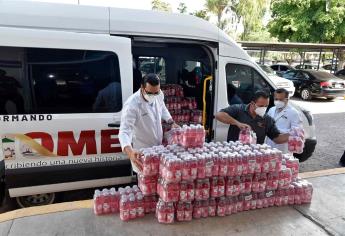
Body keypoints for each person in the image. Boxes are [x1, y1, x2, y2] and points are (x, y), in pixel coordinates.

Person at [119, 73, 178, 172]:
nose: (154, 96)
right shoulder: (132, 104)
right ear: (142, 88)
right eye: (150, 93)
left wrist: (171, 121)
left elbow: (162, 108)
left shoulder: (159, 94)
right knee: (146, 183)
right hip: (143, 152)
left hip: (158, 149)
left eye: (157, 92)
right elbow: (124, 131)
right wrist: (130, 152)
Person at [215, 90, 289, 145]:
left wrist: (292, 135)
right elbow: (219, 115)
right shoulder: (239, 109)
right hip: (235, 153)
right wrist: (238, 123)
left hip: (254, 156)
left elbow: (277, 138)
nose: (264, 108)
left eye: (266, 106)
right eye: (261, 106)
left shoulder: (267, 119)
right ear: (252, 104)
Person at [266, 88, 302, 153]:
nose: (278, 101)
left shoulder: (294, 113)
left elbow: (297, 132)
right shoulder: (271, 110)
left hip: (283, 147)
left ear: (287, 100)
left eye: (281, 99)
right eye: (276, 99)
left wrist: (280, 133)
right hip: (270, 144)